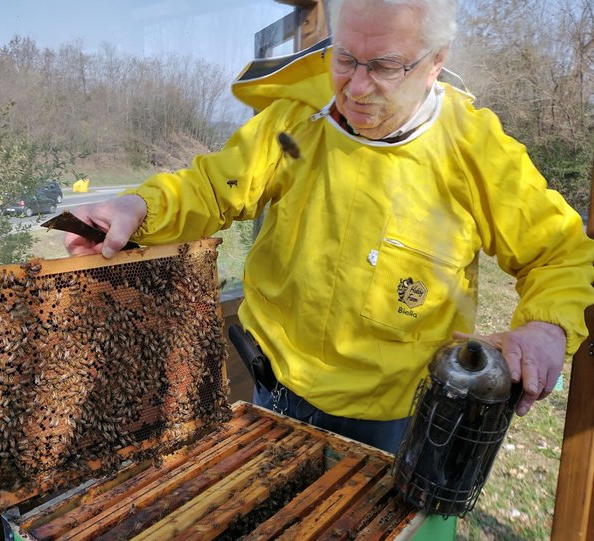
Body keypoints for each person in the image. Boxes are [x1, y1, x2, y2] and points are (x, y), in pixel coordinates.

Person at [66, 0, 594, 454]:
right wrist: (141, 206)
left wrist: (546, 328)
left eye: (385, 66)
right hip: (274, 389)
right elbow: (212, 187)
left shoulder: (478, 151)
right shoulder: (296, 120)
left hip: (396, 417)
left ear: (435, 62)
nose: (357, 86)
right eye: (345, 58)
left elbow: (562, 253)